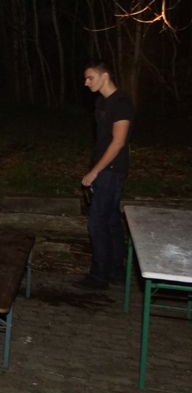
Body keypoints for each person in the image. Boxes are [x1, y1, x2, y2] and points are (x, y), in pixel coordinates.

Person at [77, 59, 134, 290]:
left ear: (105, 76)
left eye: (90, 77)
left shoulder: (121, 103)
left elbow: (118, 142)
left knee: (97, 222)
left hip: (111, 170)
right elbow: (102, 140)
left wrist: (95, 171)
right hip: (103, 168)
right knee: (110, 220)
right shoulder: (101, 102)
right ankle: (116, 270)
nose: (86, 82)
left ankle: (99, 276)